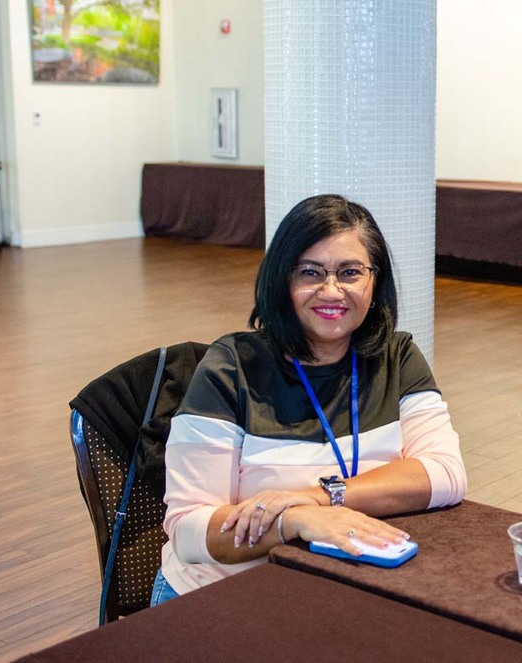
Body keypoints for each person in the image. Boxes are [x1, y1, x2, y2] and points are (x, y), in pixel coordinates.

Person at [152, 194, 467, 603]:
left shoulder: (397, 356)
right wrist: (295, 522)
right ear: (282, 281)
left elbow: (445, 474)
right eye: (310, 272)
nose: (331, 291)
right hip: (223, 594)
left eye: (350, 272)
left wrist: (319, 497)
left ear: (375, 281)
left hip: (341, 587)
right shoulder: (231, 368)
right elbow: (189, 530)